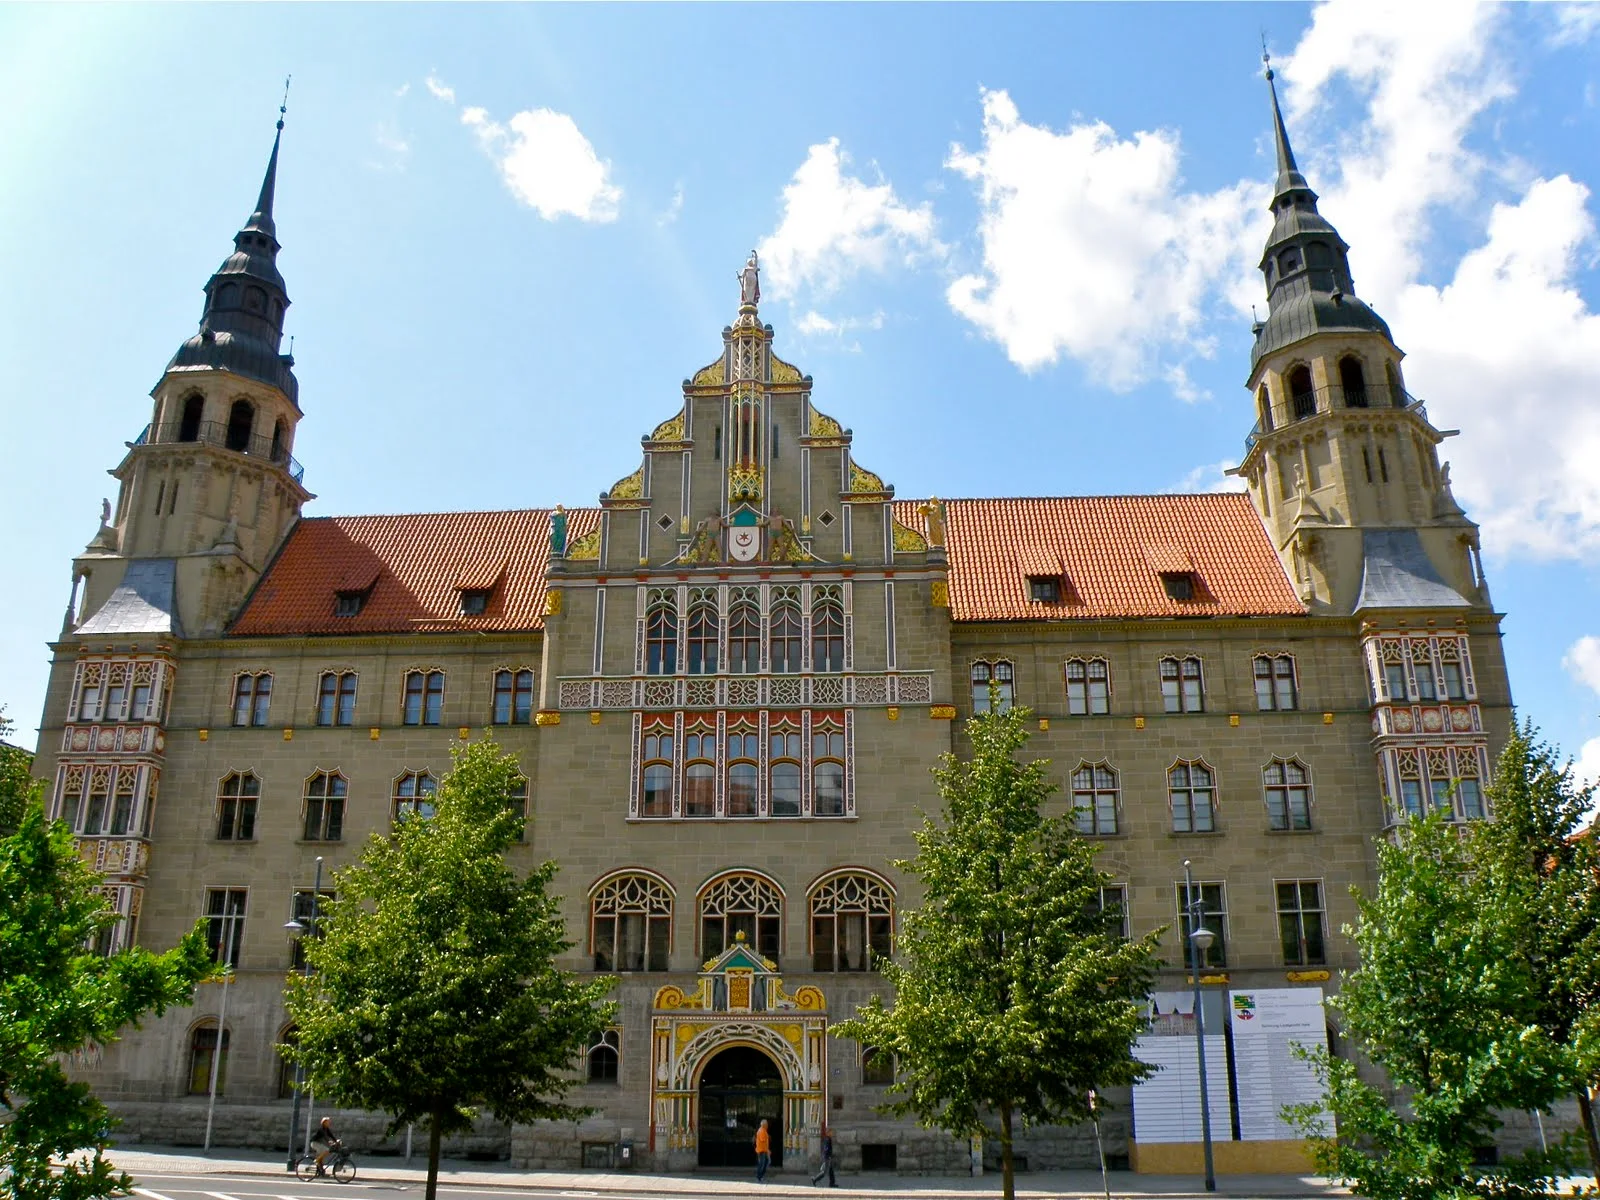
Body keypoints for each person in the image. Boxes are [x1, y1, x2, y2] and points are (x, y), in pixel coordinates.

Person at [754, 1118, 771, 1183]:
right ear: (764, 1125)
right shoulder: (762, 1131)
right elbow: (763, 1142)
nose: (768, 1125)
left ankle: (761, 1176)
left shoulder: (763, 1130)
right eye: (767, 1124)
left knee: (765, 1163)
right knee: (762, 1164)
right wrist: (767, 1151)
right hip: (762, 1151)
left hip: (763, 1151)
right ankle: (759, 1177)